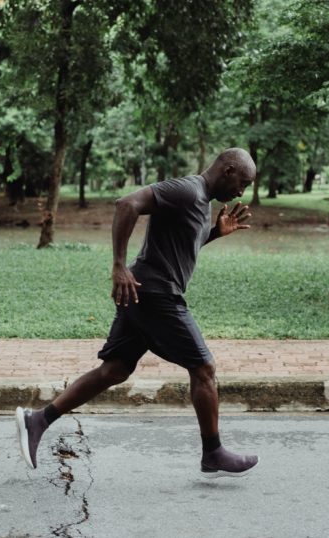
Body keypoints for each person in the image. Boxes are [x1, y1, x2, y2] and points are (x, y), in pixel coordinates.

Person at [16, 147, 260, 478]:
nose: (242, 192)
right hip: (156, 294)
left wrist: (215, 232)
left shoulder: (201, 203)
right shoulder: (187, 189)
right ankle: (213, 452)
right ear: (228, 170)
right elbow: (126, 204)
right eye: (242, 183)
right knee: (204, 368)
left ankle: (38, 420)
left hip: (145, 293)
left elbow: (179, 245)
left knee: (114, 371)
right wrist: (117, 265)